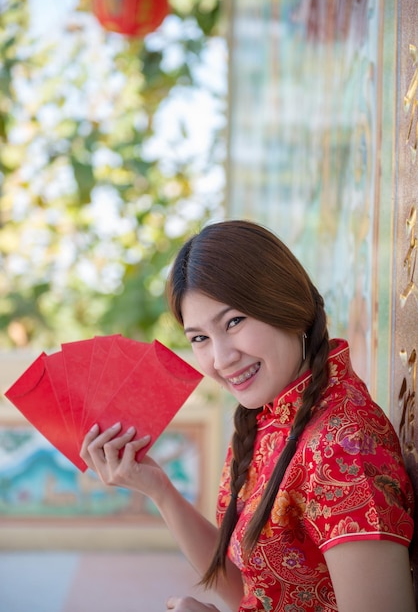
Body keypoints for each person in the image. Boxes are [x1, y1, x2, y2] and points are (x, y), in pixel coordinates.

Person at [81, 219, 416, 612]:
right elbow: (252, 590)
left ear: (286, 303)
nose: (221, 359)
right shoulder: (270, 417)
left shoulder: (341, 449)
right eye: (200, 339)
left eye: (234, 322)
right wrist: (160, 490)